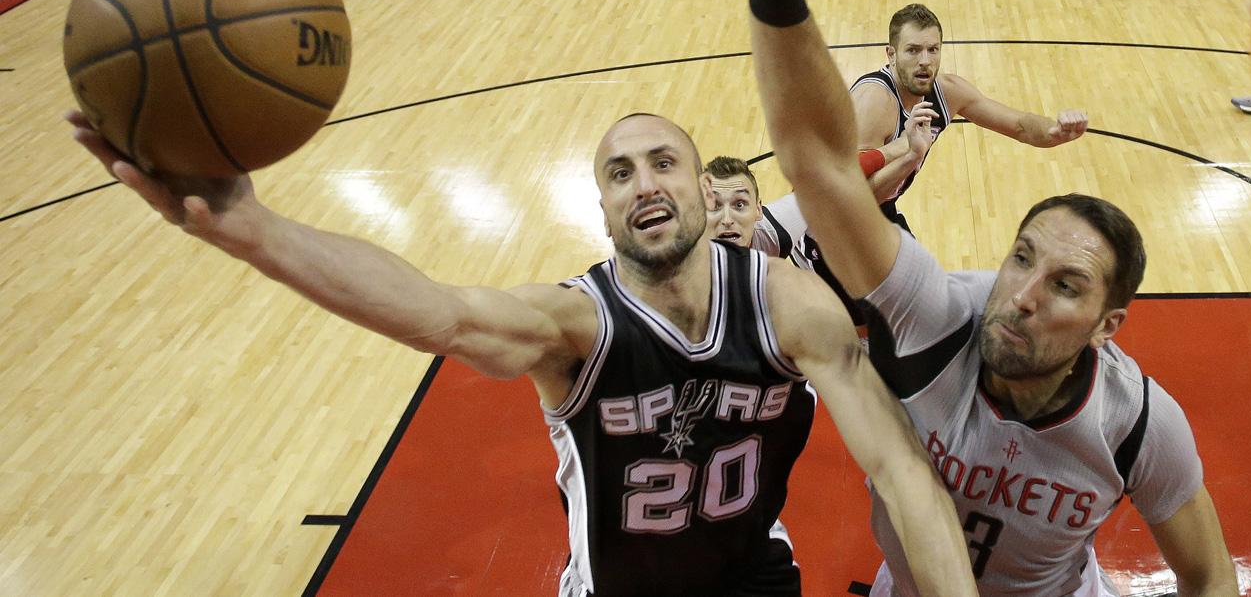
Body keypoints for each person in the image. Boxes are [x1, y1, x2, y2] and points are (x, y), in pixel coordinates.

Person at [67, 108, 980, 597]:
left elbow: (903, 472)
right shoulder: (575, 326)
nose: (643, 183)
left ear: (704, 193)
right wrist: (253, 232)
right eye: (619, 173)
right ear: (603, 210)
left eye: (663, 162)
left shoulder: (787, 304)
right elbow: (440, 315)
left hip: (751, 577)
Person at [741, 0, 1240, 597]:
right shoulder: (937, 304)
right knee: (816, 335)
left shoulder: (1141, 423)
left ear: (1109, 326)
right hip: (810, 234)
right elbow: (830, 176)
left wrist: (1052, 128)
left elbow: (1211, 577)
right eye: (1021, 257)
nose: (1022, 294)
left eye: (1065, 284)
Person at [796, 3, 1088, 321]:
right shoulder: (873, 102)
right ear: (891, 54)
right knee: (863, 334)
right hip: (831, 231)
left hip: (878, 214)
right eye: (913, 50)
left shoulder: (947, 92)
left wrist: (1053, 131)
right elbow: (850, 199)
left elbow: (1019, 126)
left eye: (933, 49)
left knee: (922, 309)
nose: (925, 61)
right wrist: (910, 155)